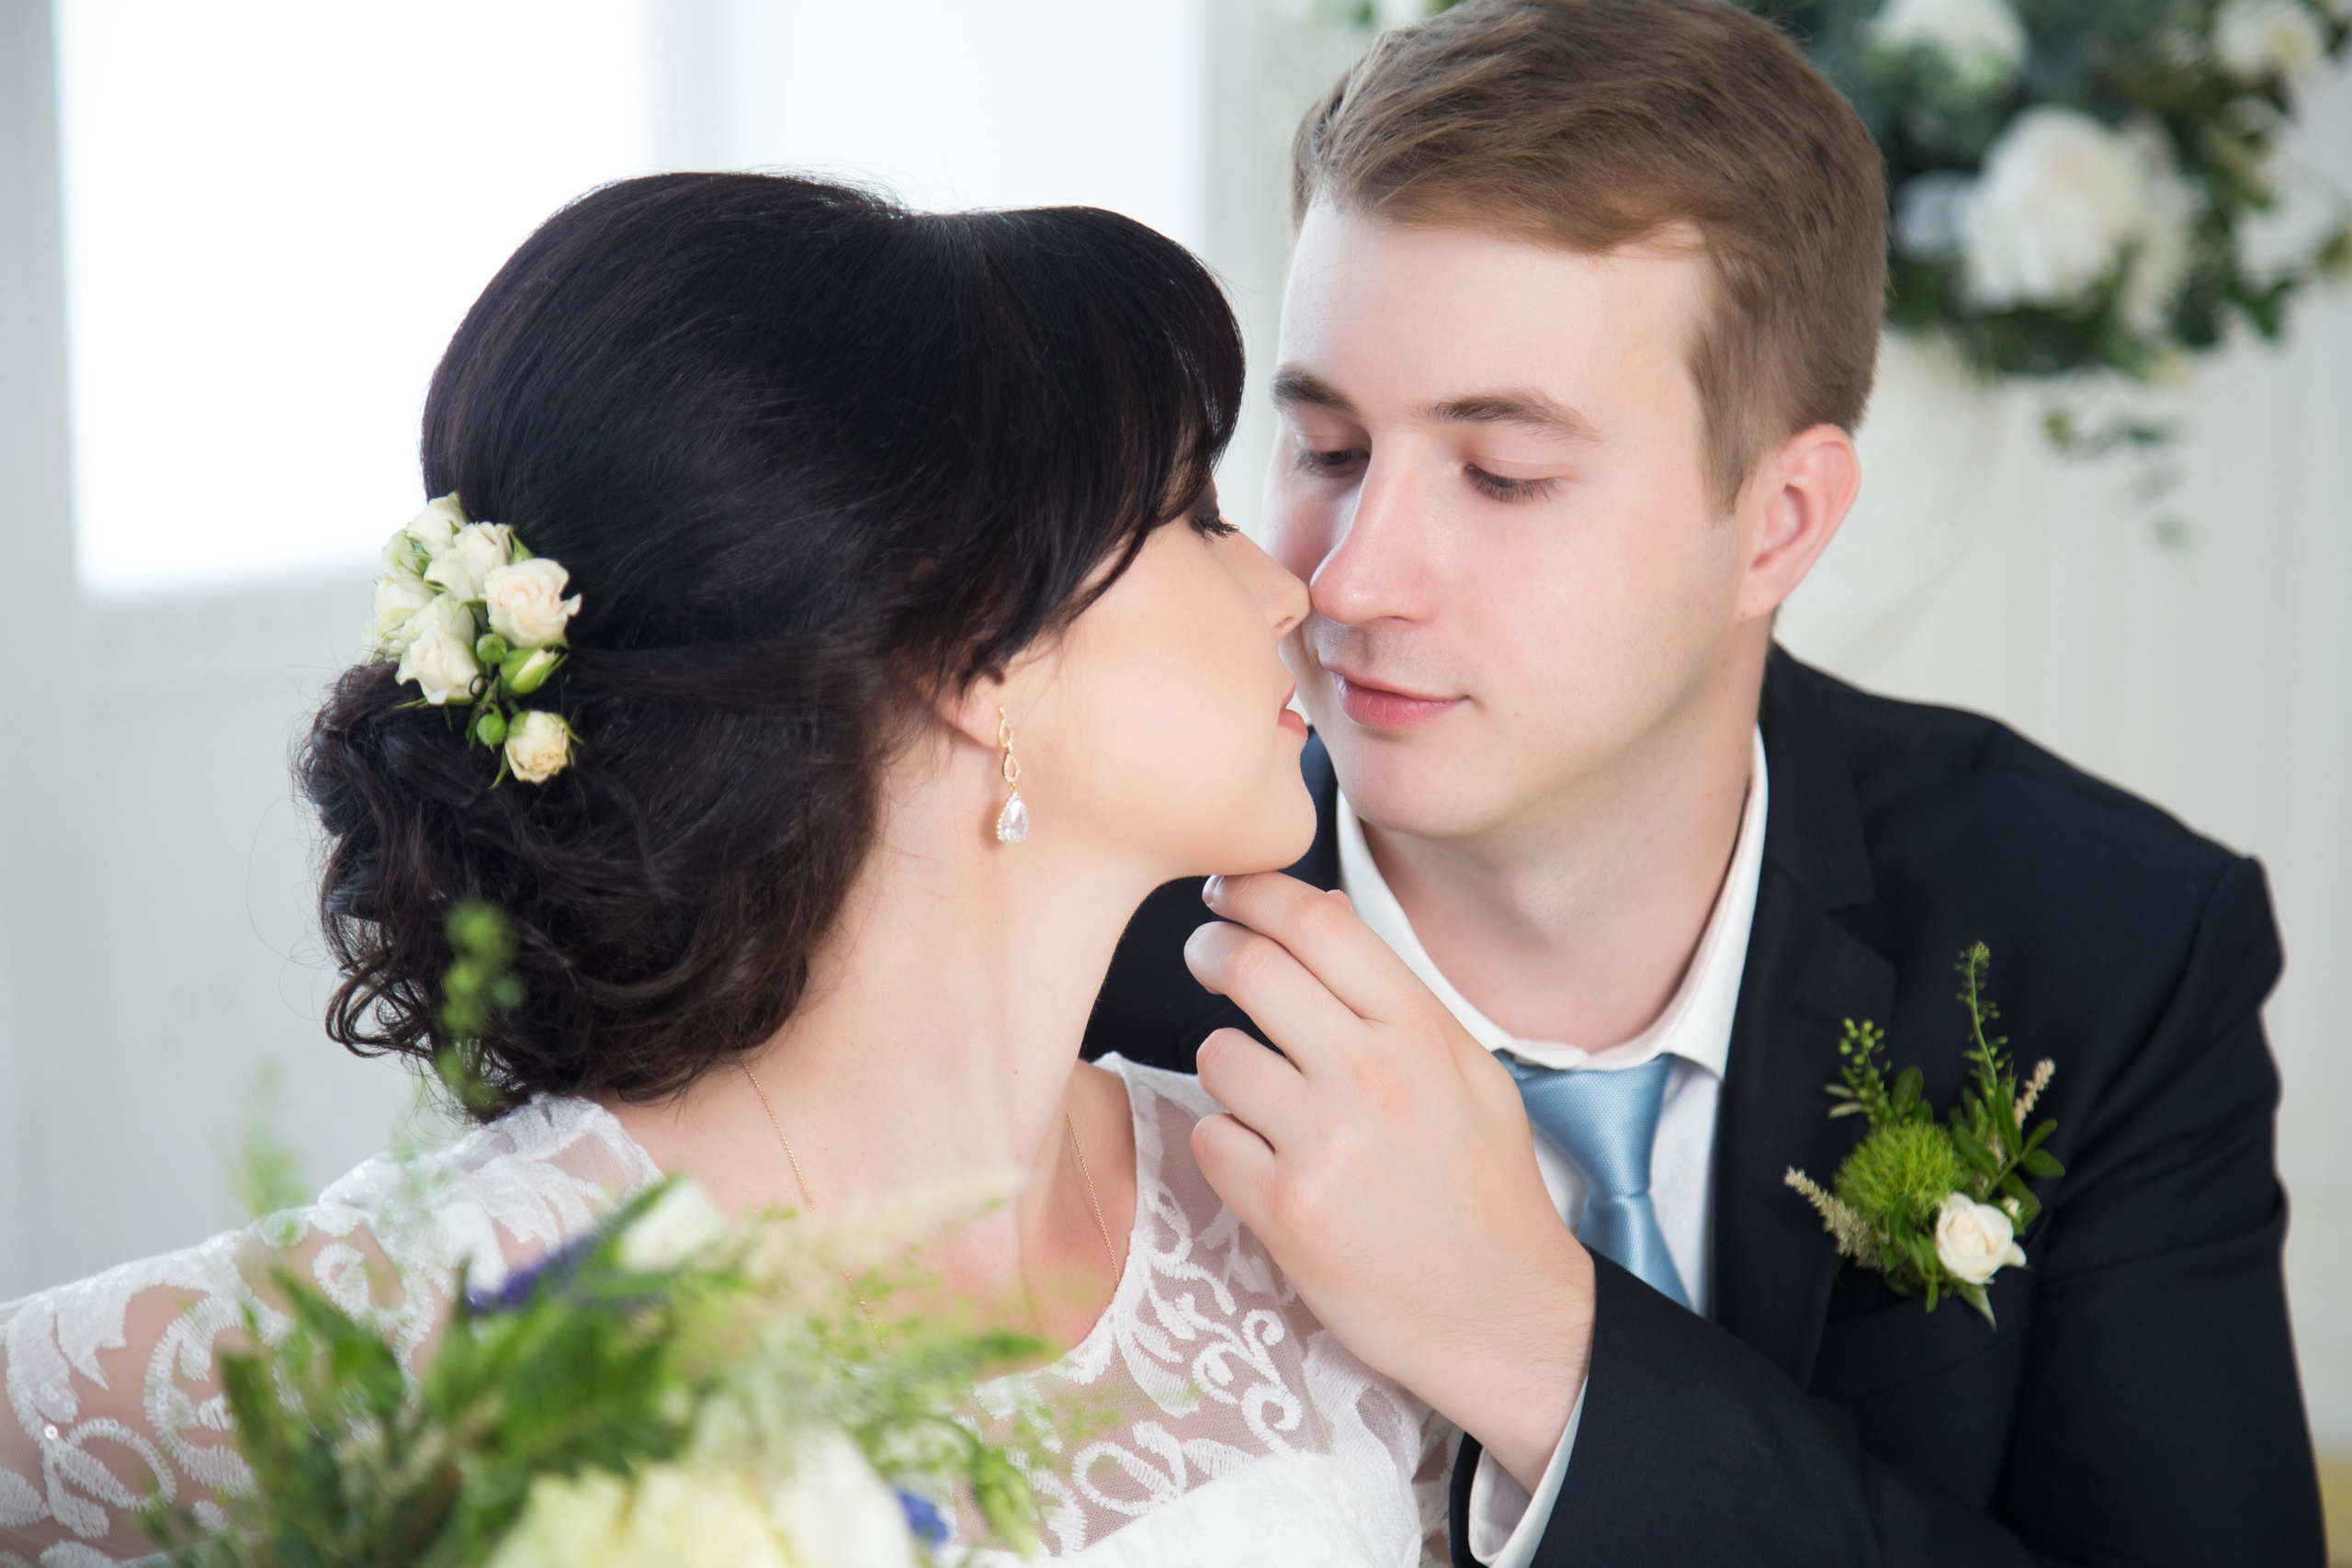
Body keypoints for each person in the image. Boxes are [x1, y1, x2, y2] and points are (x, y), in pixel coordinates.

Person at [0, 173, 1452, 1565]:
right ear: (976, 659)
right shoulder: (465, 1312)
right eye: (1195, 515)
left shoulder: (1299, 1203)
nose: (1287, 586)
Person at [1085, 1, 2329, 1563]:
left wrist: (1551, 1351)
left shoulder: (2114, 943)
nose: (1351, 582)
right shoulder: (1090, 940)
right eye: (1328, 448)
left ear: (1783, 521)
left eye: (1505, 474)